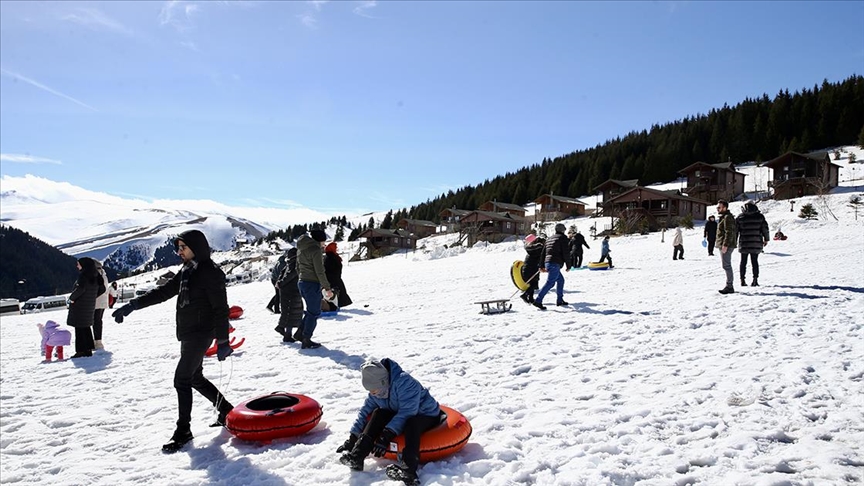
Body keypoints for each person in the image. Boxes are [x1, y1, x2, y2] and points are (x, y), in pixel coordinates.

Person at [111, 230, 235, 453]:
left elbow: (220, 308)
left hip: (201, 333)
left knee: (182, 379)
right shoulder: (188, 270)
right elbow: (164, 292)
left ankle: (183, 431)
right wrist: (132, 305)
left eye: (183, 248)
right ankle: (226, 409)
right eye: (178, 248)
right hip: (188, 332)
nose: (179, 252)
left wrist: (223, 340)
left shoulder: (209, 272)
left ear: (196, 247)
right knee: (194, 377)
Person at [337, 358, 442, 486]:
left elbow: (408, 412)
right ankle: (357, 456)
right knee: (378, 413)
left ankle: (409, 471)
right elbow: (364, 412)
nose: (372, 394)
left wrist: (385, 436)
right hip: (398, 410)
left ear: (383, 382)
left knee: (412, 422)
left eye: (374, 390)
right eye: (370, 391)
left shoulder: (405, 383)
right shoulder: (377, 391)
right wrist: (352, 438)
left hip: (425, 413)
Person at [295, 229, 334, 349]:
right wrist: (327, 287)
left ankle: (300, 334)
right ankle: (306, 339)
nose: (324, 244)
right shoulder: (315, 250)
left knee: (311, 311)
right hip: (311, 284)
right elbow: (319, 271)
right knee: (314, 312)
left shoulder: (301, 248)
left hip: (302, 282)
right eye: (323, 241)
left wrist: (302, 277)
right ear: (319, 240)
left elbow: (297, 267)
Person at [67, 257, 105, 359]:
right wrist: (92, 297)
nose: (77, 266)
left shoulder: (84, 276)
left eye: (78, 264)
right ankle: (88, 349)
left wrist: (72, 298)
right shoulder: (96, 275)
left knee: (79, 328)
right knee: (86, 327)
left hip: (80, 305)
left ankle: (81, 351)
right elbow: (102, 289)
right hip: (89, 305)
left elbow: (80, 289)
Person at [533, 223, 569, 310]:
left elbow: (543, 253)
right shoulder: (562, 238)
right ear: (562, 230)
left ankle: (560, 300)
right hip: (555, 263)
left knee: (560, 280)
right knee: (550, 283)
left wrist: (541, 265)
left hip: (548, 262)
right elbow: (566, 252)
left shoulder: (549, 239)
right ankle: (538, 300)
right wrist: (569, 265)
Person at [736, 201, 769, 287]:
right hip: (756, 242)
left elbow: (735, 231)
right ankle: (755, 280)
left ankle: (742, 280)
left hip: (744, 243)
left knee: (743, 262)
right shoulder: (760, 217)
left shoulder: (740, 217)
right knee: (754, 261)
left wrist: (734, 241)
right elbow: (765, 229)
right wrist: (766, 239)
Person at [275, 247, 303, 343]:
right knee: (292, 312)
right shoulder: (295, 264)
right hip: (292, 291)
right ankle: (286, 333)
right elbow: (290, 275)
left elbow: (282, 274)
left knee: (289, 312)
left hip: (287, 291)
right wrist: (281, 283)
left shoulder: (289, 263)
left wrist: (279, 282)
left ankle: (285, 330)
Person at [715, 200, 738, 294]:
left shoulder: (728, 217)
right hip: (724, 244)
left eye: (719, 207)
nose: (717, 209)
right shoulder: (724, 217)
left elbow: (729, 232)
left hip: (726, 245)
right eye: (717, 207)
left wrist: (725, 244)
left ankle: (729, 286)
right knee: (726, 265)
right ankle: (729, 285)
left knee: (727, 266)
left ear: (725, 208)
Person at [323, 241, 353, 310]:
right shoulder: (330, 257)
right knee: (336, 292)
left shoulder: (332, 256)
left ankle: (336, 305)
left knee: (339, 292)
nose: (336, 249)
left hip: (335, 278)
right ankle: (334, 306)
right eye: (335, 247)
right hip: (333, 279)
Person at [519, 234, 545, 304]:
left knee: (532, 283)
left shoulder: (531, 249)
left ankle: (531, 298)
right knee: (533, 284)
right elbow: (541, 257)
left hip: (528, 269)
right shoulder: (538, 248)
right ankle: (525, 295)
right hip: (532, 269)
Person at [93, 260, 111, 351]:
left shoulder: (98, 276)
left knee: (96, 321)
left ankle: (98, 342)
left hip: (97, 301)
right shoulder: (104, 275)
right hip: (103, 301)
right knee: (98, 320)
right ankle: (97, 341)